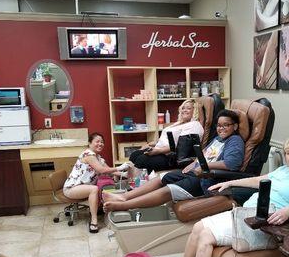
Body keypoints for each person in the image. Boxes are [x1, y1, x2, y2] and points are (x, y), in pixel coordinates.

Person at [179, 136, 289, 257]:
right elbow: (257, 181)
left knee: (206, 235)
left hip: (265, 224)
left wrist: (287, 211)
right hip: (246, 214)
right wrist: (229, 183)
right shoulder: (283, 170)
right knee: (198, 227)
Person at [103, 110, 245, 211]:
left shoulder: (235, 141)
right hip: (197, 171)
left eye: (226, 125)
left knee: (168, 190)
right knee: (161, 178)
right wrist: (193, 163)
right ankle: (124, 197)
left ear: (235, 126)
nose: (221, 128)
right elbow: (204, 154)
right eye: (219, 125)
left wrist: (203, 166)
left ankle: (124, 205)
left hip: (207, 179)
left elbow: (231, 164)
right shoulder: (218, 139)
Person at [63, 133, 127, 233]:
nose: (100, 144)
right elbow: (101, 170)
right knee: (94, 189)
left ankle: (97, 210)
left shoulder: (98, 158)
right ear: (89, 143)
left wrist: (125, 174)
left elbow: (109, 170)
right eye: (97, 141)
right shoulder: (88, 154)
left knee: (96, 188)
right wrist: (120, 167)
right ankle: (94, 221)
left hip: (83, 187)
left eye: (102, 142)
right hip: (71, 188)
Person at [129, 99, 204, 172]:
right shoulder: (179, 123)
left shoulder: (193, 125)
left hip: (171, 157)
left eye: (188, 108)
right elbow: (169, 139)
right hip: (162, 150)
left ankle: (130, 176)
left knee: (142, 160)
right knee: (135, 155)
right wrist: (153, 144)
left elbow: (181, 147)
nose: (184, 110)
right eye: (183, 108)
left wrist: (158, 151)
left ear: (195, 111)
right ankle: (127, 173)